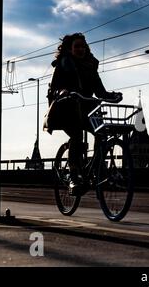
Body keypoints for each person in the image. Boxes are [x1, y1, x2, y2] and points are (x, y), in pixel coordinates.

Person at [43, 33, 122, 195]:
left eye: (83, 46)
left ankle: (98, 170)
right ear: (70, 49)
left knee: (101, 133)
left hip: (86, 106)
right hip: (66, 108)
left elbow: (99, 90)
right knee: (77, 136)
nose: (80, 49)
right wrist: (63, 91)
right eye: (77, 46)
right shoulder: (64, 63)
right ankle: (73, 176)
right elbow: (55, 87)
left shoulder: (90, 65)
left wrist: (110, 95)